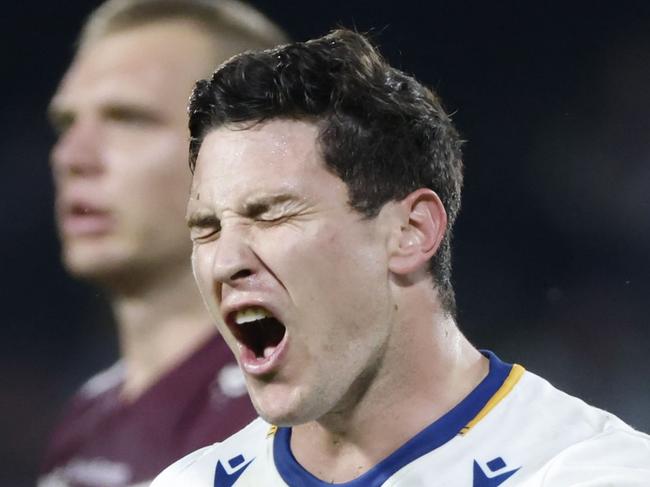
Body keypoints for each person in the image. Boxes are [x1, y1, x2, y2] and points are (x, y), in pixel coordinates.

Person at [152, 29, 650, 486]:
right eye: (208, 229)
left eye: (273, 215)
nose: (225, 262)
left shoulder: (588, 471)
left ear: (411, 231)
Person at [40, 1, 288, 486]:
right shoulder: (86, 414)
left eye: (128, 118)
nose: (73, 157)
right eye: (67, 124)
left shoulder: (296, 418)